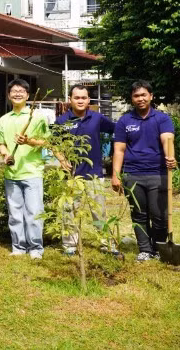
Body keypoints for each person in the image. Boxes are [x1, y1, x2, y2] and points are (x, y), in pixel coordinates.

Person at [111, 80, 176, 262]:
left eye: (143, 95)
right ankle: (145, 249)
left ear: (151, 96)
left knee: (159, 215)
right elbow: (119, 150)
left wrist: (170, 156)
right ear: (132, 99)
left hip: (158, 173)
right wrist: (116, 176)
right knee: (139, 214)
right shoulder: (125, 120)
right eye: (136, 96)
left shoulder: (162, 119)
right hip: (132, 174)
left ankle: (158, 247)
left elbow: (167, 140)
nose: (140, 99)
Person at [54, 84, 116, 255]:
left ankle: (106, 243)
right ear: (70, 100)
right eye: (76, 97)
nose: (80, 101)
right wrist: (61, 159)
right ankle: (70, 245)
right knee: (69, 211)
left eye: (83, 98)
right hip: (71, 176)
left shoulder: (97, 118)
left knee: (99, 211)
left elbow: (116, 130)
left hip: (94, 174)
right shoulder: (62, 121)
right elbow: (54, 144)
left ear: (89, 100)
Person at [0, 79, 50, 260]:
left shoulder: (37, 117)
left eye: (21, 91)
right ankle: (18, 247)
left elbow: (46, 143)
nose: (17, 93)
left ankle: (35, 248)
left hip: (32, 172)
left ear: (28, 95)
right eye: (14, 91)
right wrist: (5, 155)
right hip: (12, 174)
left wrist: (28, 141)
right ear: (9, 95)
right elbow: (2, 144)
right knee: (15, 212)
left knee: (34, 212)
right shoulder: (4, 119)